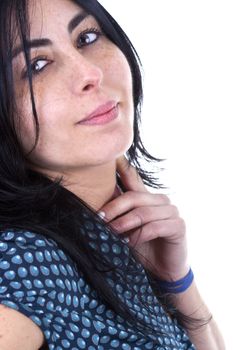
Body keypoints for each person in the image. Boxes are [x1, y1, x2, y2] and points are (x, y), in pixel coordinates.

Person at [0, 0, 225, 349]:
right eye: (37, 65)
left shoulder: (109, 237)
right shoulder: (24, 261)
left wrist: (177, 282)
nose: (90, 73)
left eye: (87, 38)